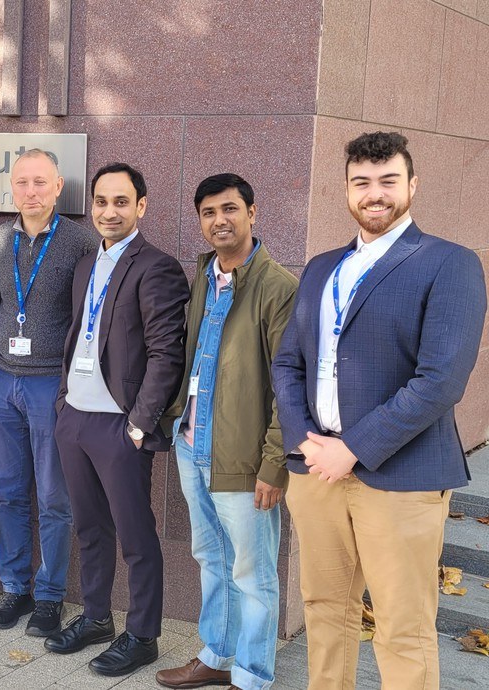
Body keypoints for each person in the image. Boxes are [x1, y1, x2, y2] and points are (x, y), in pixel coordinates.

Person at [272, 131, 486, 690]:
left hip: (401, 477)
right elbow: (287, 364)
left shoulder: (450, 264)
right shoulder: (320, 268)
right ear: (346, 191)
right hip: (316, 470)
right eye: (361, 182)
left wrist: (353, 449)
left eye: (388, 181)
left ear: (411, 185)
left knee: (403, 628)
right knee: (325, 612)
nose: (375, 193)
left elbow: (441, 381)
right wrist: (306, 441)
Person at [155, 174, 296, 690]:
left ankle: (252, 675)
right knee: (210, 556)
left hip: (244, 458)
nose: (220, 220)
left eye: (230, 209)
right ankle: (217, 655)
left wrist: (274, 463)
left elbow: (289, 386)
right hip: (193, 446)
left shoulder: (277, 286)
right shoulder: (203, 275)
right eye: (209, 212)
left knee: (252, 574)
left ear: (252, 214)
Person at [48, 163, 188, 676]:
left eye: (121, 202)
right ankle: (96, 618)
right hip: (76, 418)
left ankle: (144, 635)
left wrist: (139, 422)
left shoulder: (157, 267)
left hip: (119, 426)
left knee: (135, 534)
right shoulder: (86, 264)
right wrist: (64, 401)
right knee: (89, 527)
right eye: (101, 202)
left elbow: (165, 353)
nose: (109, 212)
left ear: (141, 207)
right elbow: (80, 333)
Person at [0, 149, 97, 636]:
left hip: (51, 382)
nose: (31, 191)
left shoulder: (79, 242)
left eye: (40, 182)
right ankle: (15, 587)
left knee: (53, 496)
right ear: (13, 188)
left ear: (57, 187)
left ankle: (49, 595)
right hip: (1, 377)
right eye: (22, 182)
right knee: (9, 492)